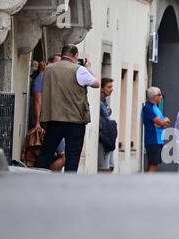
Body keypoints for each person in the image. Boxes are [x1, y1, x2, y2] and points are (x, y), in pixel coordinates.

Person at [35, 44, 100, 173]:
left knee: (47, 152)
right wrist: (89, 68)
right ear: (75, 55)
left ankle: (38, 176)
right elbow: (96, 83)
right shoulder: (79, 70)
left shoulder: (48, 69)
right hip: (74, 120)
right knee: (72, 155)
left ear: (62, 54)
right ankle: (69, 182)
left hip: (53, 118)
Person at [31, 54, 66, 172]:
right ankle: (50, 179)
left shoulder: (49, 77)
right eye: (57, 63)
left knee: (52, 155)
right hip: (46, 122)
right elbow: (37, 101)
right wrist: (37, 123)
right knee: (62, 156)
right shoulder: (43, 77)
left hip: (50, 121)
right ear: (49, 63)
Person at [142, 87, 171, 172]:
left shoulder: (156, 108)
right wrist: (163, 121)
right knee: (153, 164)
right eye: (159, 95)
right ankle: (148, 183)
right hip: (152, 140)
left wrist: (163, 122)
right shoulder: (148, 108)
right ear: (154, 96)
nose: (161, 97)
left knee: (155, 163)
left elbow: (167, 124)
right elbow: (162, 123)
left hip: (158, 140)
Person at [98, 78, 116, 173]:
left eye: (112, 87)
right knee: (103, 169)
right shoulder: (99, 103)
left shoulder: (105, 102)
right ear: (101, 88)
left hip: (109, 137)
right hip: (103, 138)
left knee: (110, 166)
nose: (111, 89)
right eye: (109, 87)